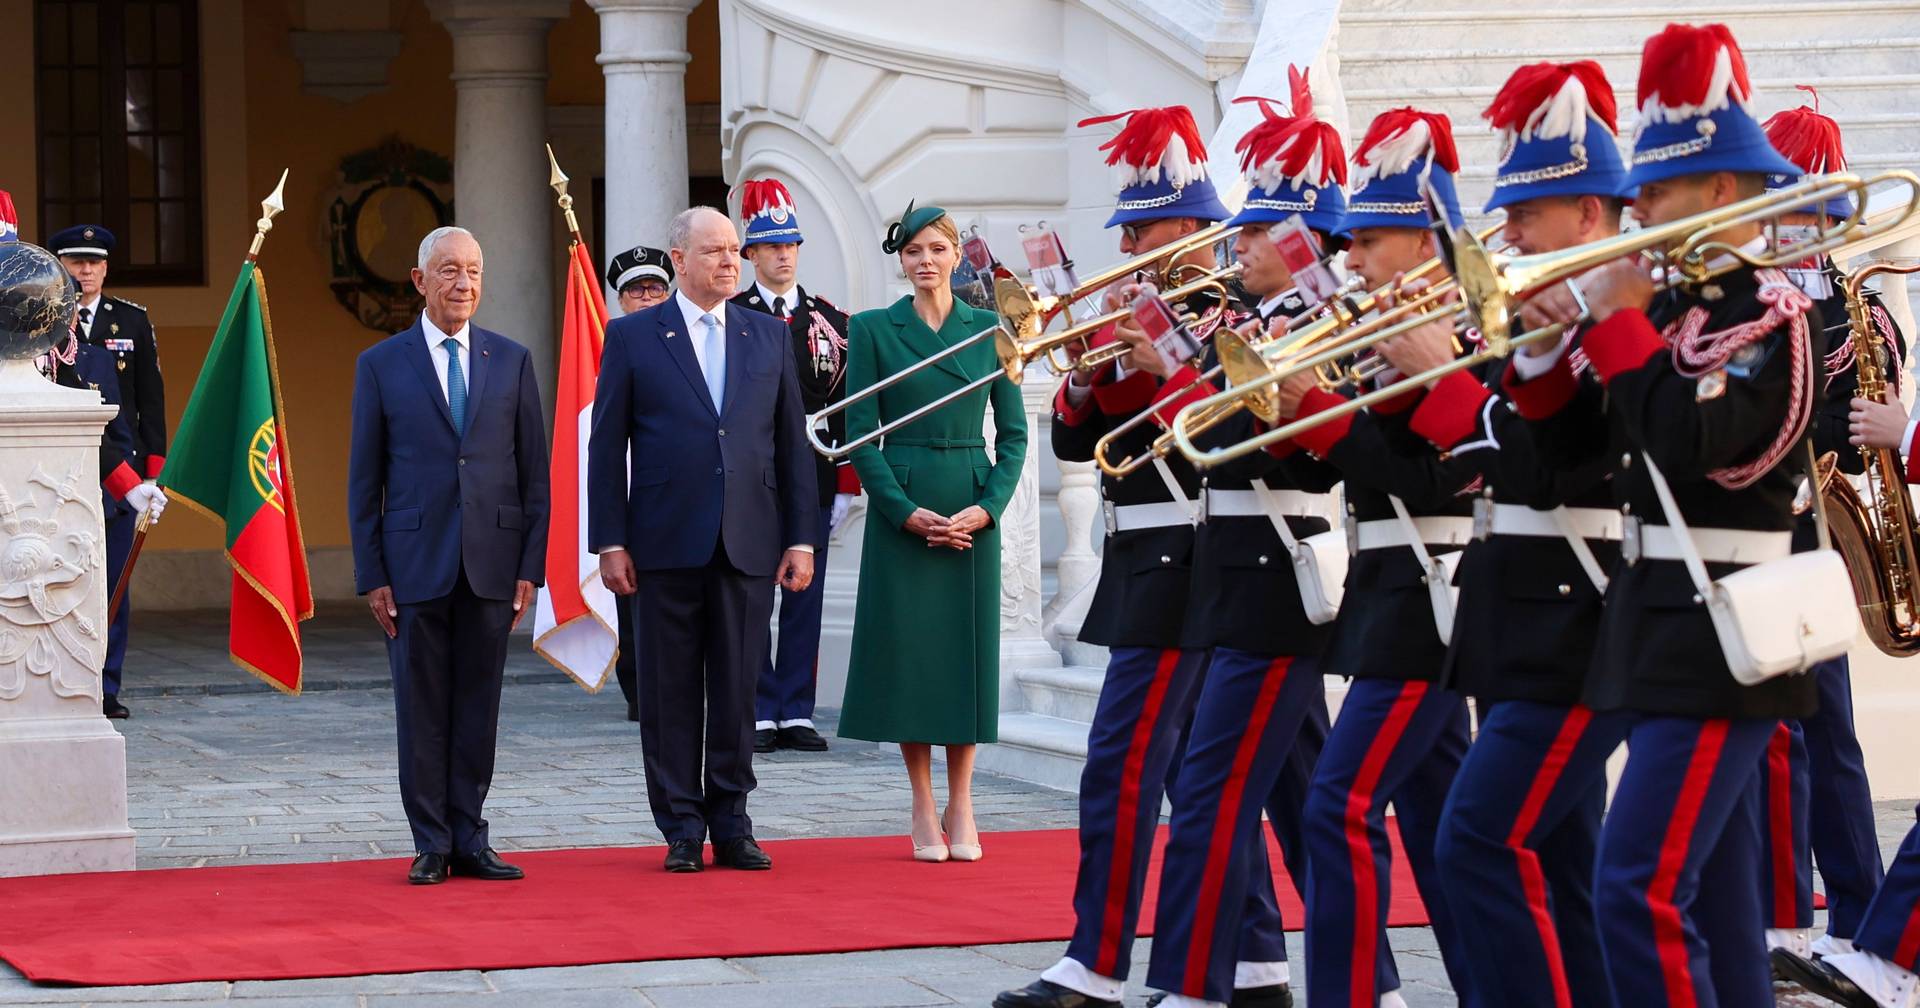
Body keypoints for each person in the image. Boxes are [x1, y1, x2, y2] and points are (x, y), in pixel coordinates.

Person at [1506, 22, 1824, 1005]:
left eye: (1658, 188)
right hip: (1657, 629)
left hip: (1716, 634)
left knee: (1634, 889)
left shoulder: (1767, 313)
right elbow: (1578, 462)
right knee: (1725, 910)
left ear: (1721, 193)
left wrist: (1617, 325)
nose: (1635, 205)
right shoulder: (1675, 312)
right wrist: (1544, 354)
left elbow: (1694, 445)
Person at [997, 104, 1326, 1008]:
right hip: (1158, 561)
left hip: (1199, 559)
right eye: (1130, 226)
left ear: (1194, 226)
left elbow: (1203, 429)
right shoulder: (1133, 308)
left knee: (1140, 768)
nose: (1133, 239)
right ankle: (1260, 961)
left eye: (1147, 225)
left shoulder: (1227, 311)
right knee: (1266, 790)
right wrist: (1090, 366)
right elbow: (1073, 441)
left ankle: (1097, 962)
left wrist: (1142, 356)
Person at [1260, 105, 1485, 1007]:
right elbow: (1360, 457)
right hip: (1392, 589)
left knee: (1337, 806)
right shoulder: (1383, 326)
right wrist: (1301, 415)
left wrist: (1330, 415)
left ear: (1427, 241)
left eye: (1371, 241)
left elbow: (1437, 484)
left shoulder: (1467, 330)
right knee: (1442, 828)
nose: (1349, 258)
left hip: (1434, 592)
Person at [1137, 69, 1350, 1008]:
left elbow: (1247, 450)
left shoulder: (1318, 321)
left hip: (1280, 573)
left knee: (1214, 794)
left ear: (1305, 237)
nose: (1242, 241)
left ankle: (1198, 984)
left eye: (1261, 229)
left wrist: (1182, 384)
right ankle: (1315, 977)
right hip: (1237, 573)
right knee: (1313, 805)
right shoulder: (1255, 320)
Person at [1419, 60, 1630, 1008]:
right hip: (1516, 617)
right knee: (1562, 866)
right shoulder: (1549, 314)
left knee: (1478, 840)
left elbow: (1553, 469)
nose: (1505, 234)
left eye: (1527, 215)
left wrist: (1453, 389)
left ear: (1589, 214)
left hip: (1579, 619)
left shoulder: (1624, 316)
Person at [588, 206, 817, 874]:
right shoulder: (633, 338)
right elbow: (607, 448)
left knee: (739, 688)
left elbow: (790, 448)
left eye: (733, 251)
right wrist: (609, 540)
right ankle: (682, 824)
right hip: (661, 542)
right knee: (668, 691)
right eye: (714, 250)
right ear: (679, 258)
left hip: (748, 539)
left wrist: (800, 538)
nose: (728, 261)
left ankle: (733, 819)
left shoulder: (767, 337)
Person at [347, 226, 551, 886]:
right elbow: (363, 477)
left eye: (473, 271)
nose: (463, 284)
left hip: (492, 564)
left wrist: (529, 567)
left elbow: (534, 477)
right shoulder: (381, 365)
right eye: (448, 271)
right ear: (419, 280)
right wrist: (372, 573)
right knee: (422, 709)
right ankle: (430, 840)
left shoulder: (512, 360)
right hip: (412, 568)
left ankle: (471, 835)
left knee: (477, 709)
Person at [835, 202, 1027, 861]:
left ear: (955, 255)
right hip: (904, 503)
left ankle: (963, 798)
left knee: (963, 656)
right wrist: (900, 509)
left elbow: (1016, 435)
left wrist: (989, 507)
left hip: (971, 502)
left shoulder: (989, 328)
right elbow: (860, 432)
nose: (925, 261)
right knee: (912, 657)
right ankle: (920, 801)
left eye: (937, 250)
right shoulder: (872, 329)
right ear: (901, 260)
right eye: (913, 251)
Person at [1753, 91, 1893, 969]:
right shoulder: (1743, 289)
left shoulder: (1853, 307)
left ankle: (1854, 916)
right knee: (1777, 738)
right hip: (1745, 535)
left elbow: (1854, 422)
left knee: (1822, 735)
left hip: (1809, 532)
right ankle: (1781, 915)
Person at [731, 179, 859, 754]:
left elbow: (850, 406)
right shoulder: (731, 318)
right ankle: (758, 708)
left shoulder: (831, 320)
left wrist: (849, 483)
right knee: (754, 592)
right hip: (752, 479)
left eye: (791, 244)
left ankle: (796, 710)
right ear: (750, 253)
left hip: (814, 474)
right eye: (771, 245)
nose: (783, 254)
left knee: (806, 593)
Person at [49, 223, 166, 719]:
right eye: (76, 262)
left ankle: (107, 686)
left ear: (105, 267)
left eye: (93, 262)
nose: (85, 270)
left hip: (123, 473)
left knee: (114, 582)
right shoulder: (41, 321)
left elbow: (149, 403)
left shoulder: (130, 321)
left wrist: (152, 475)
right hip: (63, 473)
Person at [602, 244, 675, 724]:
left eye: (655, 288)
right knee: (631, 599)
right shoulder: (614, 340)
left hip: (671, 493)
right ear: (621, 299)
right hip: (627, 487)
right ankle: (638, 688)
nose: (647, 297)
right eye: (636, 290)